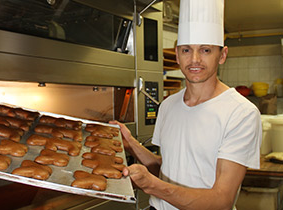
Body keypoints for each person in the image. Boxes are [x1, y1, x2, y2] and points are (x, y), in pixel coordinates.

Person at [111, 0, 262, 209]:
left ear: (223, 55)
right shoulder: (168, 105)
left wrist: (152, 186)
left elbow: (222, 200)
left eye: (206, 50)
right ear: (177, 54)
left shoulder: (240, 113)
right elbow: (169, 169)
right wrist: (130, 143)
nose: (194, 60)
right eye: (186, 50)